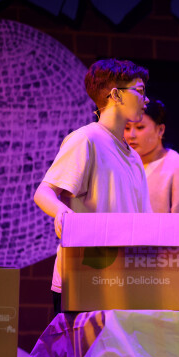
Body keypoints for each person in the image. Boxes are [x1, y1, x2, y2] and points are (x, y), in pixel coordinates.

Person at [34, 58, 153, 316]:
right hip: (84, 278)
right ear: (116, 95)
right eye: (140, 91)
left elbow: (144, 220)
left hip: (123, 280)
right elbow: (44, 192)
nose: (146, 100)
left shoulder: (134, 157)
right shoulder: (86, 139)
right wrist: (62, 212)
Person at [124, 100, 179, 213]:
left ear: (160, 130)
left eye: (140, 127)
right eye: (127, 128)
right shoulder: (121, 165)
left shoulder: (177, 167)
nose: (131, 135)